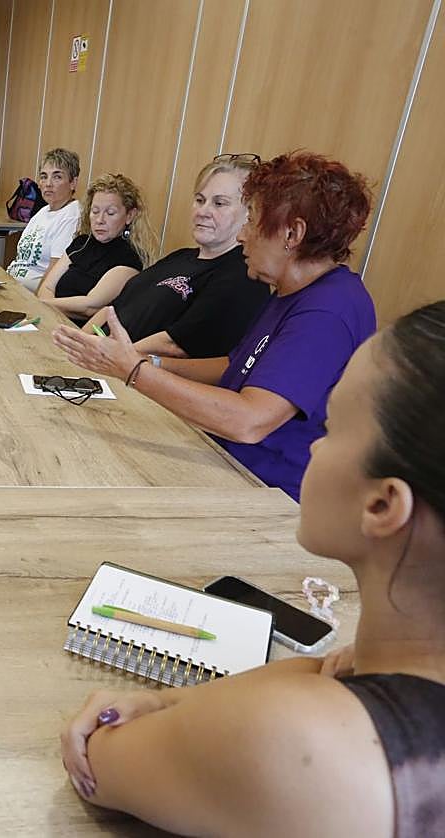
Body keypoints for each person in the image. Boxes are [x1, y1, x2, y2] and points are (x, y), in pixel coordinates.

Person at [61, 299, 445, 838]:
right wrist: (165, 696)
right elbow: (335, 670)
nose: (311, 447)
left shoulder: (303, 744)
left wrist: (129, 711)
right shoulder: (382, 665)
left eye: (330, 427)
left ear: (382, 506)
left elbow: (100, 758)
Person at [53, 152, 375, 500]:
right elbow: (235, 366)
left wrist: (135, 371)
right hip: (222, 458)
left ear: (292, 234)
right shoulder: (288, 292)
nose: (242, 237)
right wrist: (149, 363)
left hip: (267, 493)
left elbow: (249, 421)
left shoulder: (328, 312)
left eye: (251, 221)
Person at [83, 155, 270, 358]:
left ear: (250, 214)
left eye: (219, 203)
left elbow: (174, 345)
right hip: (99, 357)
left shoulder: (242, 275)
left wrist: (107, 354)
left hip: (129, 373)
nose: (203, 211)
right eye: (200, 200)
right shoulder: (179, 257)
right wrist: (78, 341)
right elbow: (114, 308)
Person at [36, 173, 158, 322]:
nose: (100, 220)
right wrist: (46, 306)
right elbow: (47, 287)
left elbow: (89, 306)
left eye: (110, 213)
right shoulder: (81, 243)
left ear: (129, 216)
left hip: (82, 335)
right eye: (95, 211)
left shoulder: (130, 258)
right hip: (50, 321)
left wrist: (42, 304)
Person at [6, 148, 83, 292]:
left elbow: (54, 272)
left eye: (57, 177)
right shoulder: (43, 211)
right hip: (13, 285)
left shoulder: (72, 215)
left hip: (32, 294)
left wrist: (37, 302)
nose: (48, 183)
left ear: (73, 183)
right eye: (43, 176)